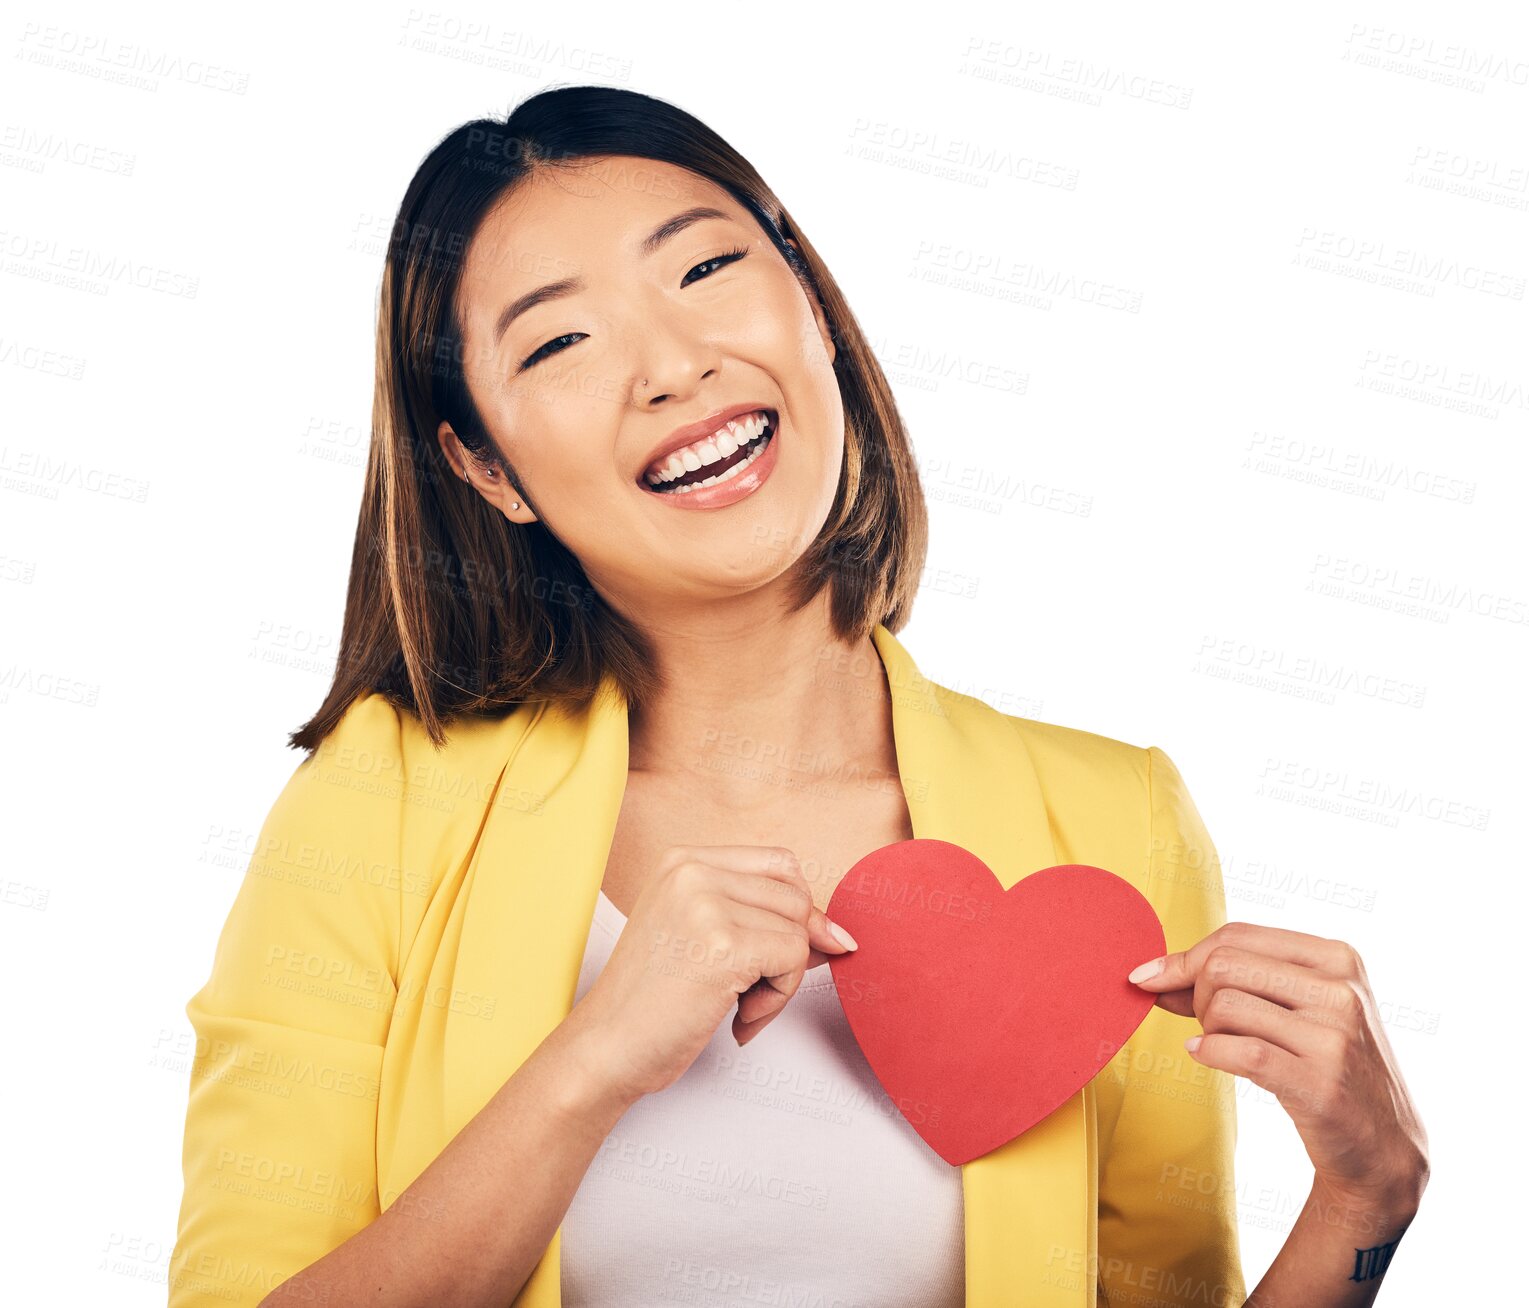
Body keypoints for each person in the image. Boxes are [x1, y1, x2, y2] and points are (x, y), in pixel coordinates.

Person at [167, 86, 1428, 1308]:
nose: (671, 366)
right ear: (485, 466)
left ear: (813, 306)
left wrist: (1359, 1209)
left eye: (705, 272)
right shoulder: (377, 807)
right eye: (558, 341)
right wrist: (595, 1057)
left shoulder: (1111, 821)